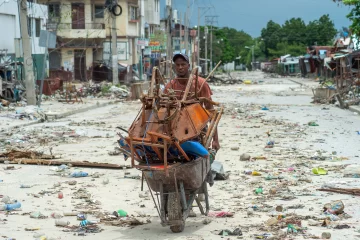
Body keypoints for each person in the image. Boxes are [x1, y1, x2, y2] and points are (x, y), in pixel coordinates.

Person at [164, 53, 220, 151]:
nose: (180, 67)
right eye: (177, 65)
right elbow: (163, 110)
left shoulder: (201, 84)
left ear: (188, 66)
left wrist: (215, 139)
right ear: (174, 67)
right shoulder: (170, 86)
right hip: (175, 128)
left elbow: (211, 112)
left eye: (183, 64)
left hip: (197, 128)